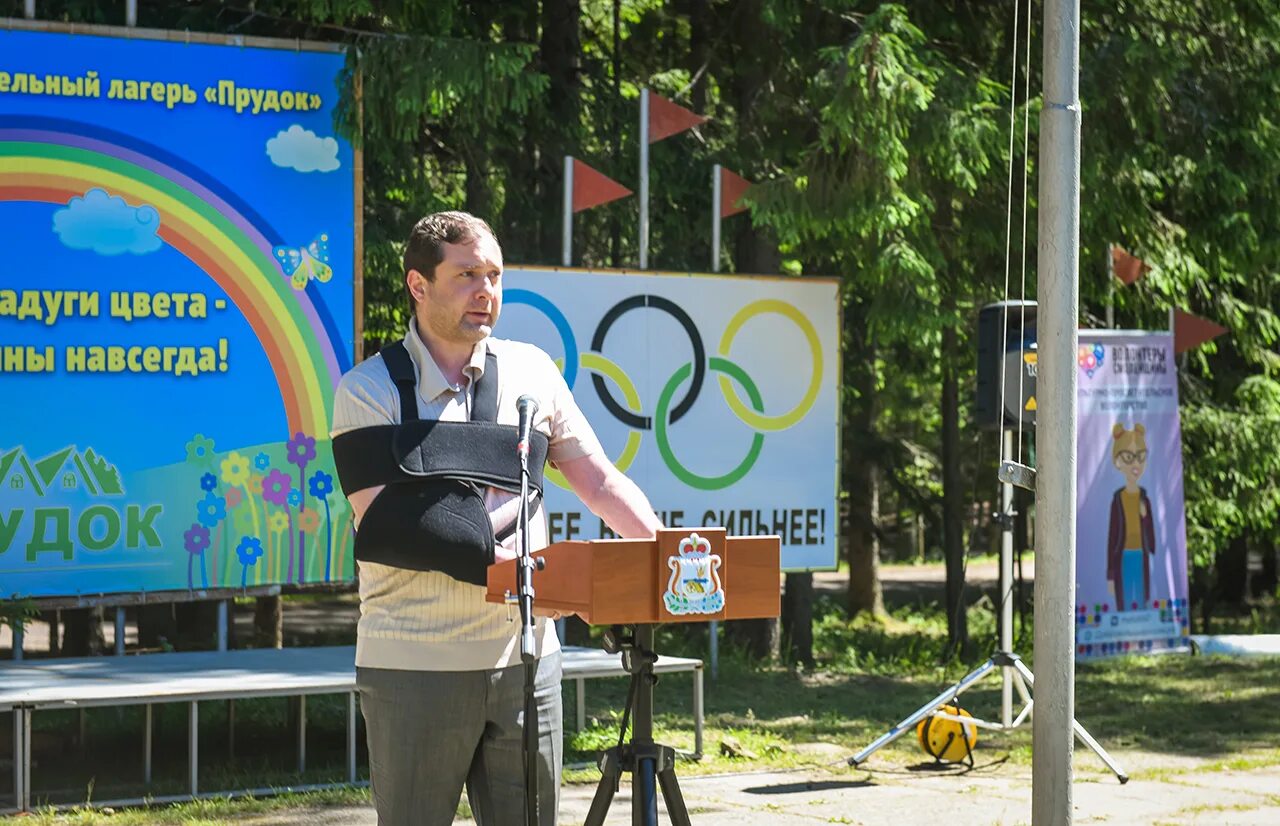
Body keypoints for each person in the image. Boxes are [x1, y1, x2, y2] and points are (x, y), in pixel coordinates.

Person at [330, 211, 661, 826]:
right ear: (417, 284)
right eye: (466, 275)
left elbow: (600, 481)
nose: (486, 290)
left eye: (494, 275)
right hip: (414, 665)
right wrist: (535, 576)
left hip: (527, 664)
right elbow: (392, 526)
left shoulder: (533, 373)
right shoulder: (367, 389)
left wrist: (669, 555)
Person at [1105, 422, 1156, 611]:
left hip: (1140, 555)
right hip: (1123, 556)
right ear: (1118, 461)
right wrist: (1110, 574)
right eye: (1129, 457)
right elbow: (1112, 537)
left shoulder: (1145, 499)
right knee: (1125, 601)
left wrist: (1145, 517)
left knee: (1142, 599)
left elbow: (1151, 537)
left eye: (1140, 457)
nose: (1135, 463)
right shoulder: (1117, 500)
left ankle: (1140, 635)